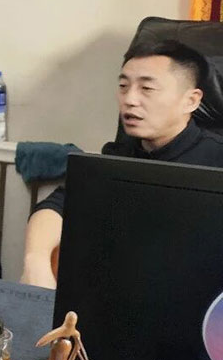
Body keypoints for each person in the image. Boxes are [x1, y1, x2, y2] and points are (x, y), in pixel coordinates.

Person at [21, 39, 223, 288]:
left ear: (191, 100)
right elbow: (59, 206)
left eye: (146, 88)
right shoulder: (119, 154)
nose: (130, 99)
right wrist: (36, 261)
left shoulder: (216, 160)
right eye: (123, 86)